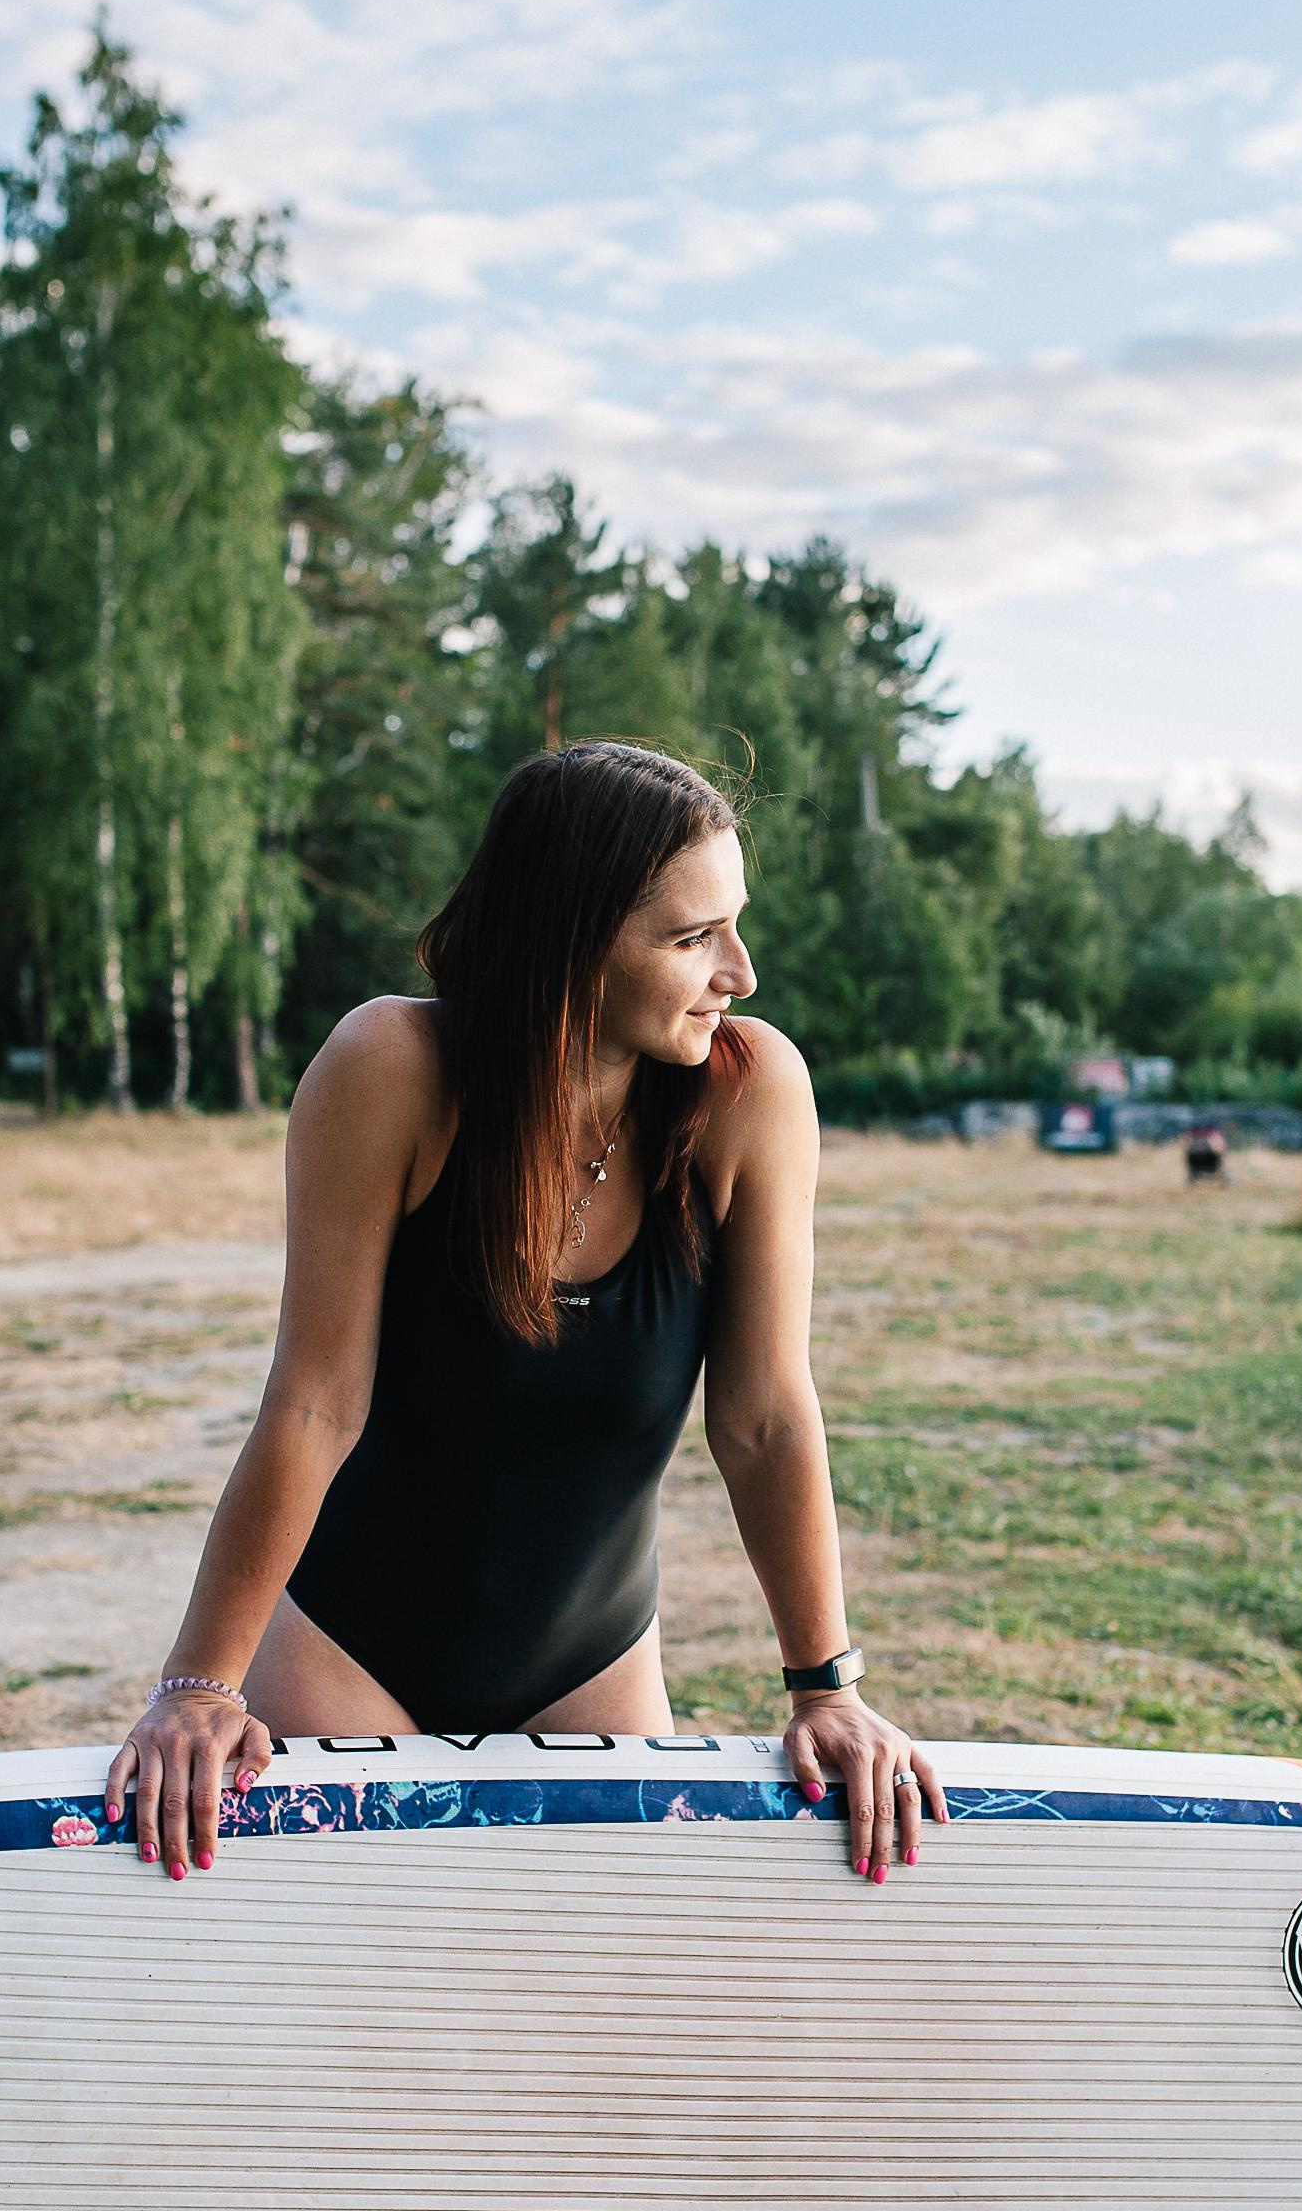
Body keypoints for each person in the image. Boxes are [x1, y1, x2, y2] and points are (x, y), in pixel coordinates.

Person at [104, 742, 947, 1887]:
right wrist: (199, 1684)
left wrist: (826, 1686)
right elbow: (313, 1401)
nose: (738, 971)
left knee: (577, 2015)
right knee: (362, 2015)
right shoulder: (391, 1068)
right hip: (350, 1652)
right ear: (570, 938)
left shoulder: (749, 1091)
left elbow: (761, 1417)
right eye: (692, 937)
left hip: (589, 1659)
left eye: (734, 924)